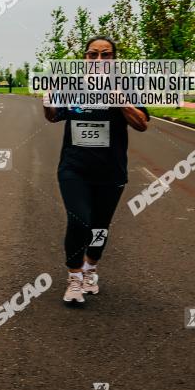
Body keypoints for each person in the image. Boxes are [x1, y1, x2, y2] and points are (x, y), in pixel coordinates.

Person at [43, 36, 149, 304]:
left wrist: (121, 101)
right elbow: (54, 116)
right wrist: (48, 101)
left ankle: (91, 270)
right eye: (93, 55)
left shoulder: (126, 85)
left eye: (106, 55)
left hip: (110, 171)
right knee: (80, 220)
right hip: (74, 167)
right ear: (85, 58)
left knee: (100, 226)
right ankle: (75, 277)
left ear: (114, 59)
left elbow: (142, 123)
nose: (99, 60)